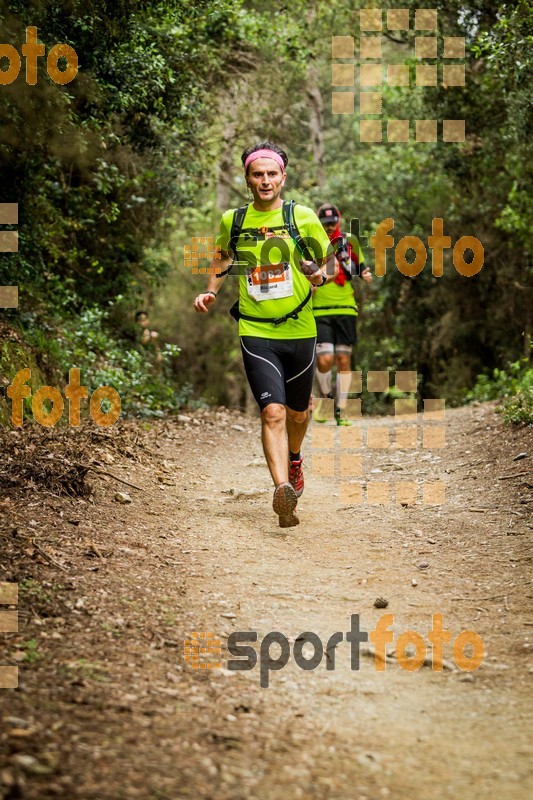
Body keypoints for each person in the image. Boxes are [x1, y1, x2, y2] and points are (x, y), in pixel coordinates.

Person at [194, 141, 337, 528]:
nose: (265, 180)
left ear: (283, 177)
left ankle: (295, 459)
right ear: (247, 179)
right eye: (258, 174)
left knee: (299, 411)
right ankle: (281, 492)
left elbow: (329, 261)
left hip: (300, 328)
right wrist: (211, 289)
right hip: (255, 330)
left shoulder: (302, 217)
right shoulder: (234, 220)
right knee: (272, 412)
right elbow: (223, 257)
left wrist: (318, 274)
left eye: (272, 173)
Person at [312, 203, 372, 425]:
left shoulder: (349, 242)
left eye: (332, 224)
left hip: (345, 306)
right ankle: (326, 400)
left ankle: (341, 409)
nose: (328, 229)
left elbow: (361, 266)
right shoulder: (312, 244)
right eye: (324, 225)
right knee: (325, 359)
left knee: (344, 359)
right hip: (319, 309)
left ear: (339, 221)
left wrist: (366, 275)